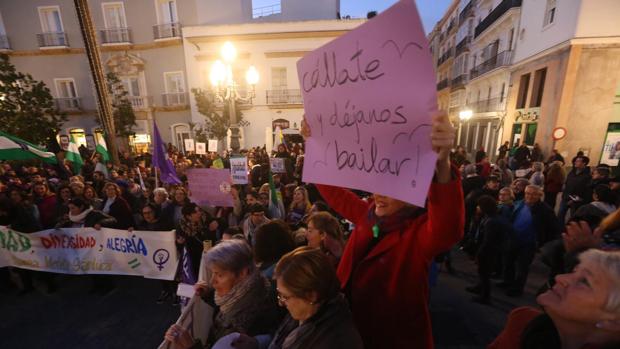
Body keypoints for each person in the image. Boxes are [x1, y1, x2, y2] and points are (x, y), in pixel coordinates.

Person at [302, 110, 464, 348]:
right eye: (377, 185)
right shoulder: (368, 214)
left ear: (413, 192)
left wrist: (442, 164)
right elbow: (335, 194)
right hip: (349, 329)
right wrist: (313, 144)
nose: (378, 194)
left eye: (391, 188)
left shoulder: (417, 235)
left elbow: (448, 229)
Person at [232, 247, 364, 349]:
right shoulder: (307, 311)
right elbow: (282, 338)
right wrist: (257, 342)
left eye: (285, 296)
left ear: (312, 295)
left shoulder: (336, 341)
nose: (281, 303)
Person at [489, 249, 620, 349]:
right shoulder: (522, 323)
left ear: (614, 322)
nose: (560, 277)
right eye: (574, 271)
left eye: (584, 281)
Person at [164, 240, 280, 348]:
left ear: (242, 273)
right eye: (213, 273)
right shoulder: (253, 288)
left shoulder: (249, 321)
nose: (212, 281)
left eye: (219, 275)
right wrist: (208, 295)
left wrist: (191, 346)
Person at [501, 185, 561, 297]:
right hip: (514, 238)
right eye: (527, 193)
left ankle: (517, 289)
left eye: (534, 194)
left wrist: (542, 241)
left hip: (529, 243)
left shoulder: (545, 210)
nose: (530, 196)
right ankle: (507, 282)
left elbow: (554, 228)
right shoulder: (520, 203)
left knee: (522, 267)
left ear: (540, 195)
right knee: (508, 262)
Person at [466, 195, 512, 304]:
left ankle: (485, 297)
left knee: (484, 274)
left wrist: (479, 254)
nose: (477, 207)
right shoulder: (489, 217)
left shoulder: (491, 221)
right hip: (490, 250)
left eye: (479, 206)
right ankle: (479, 287)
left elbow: (488, 242)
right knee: (482, 272)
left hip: (489, 252)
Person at [559, 155, 592, 223]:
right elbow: (567, 183)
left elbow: (585, 189)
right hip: (566, 197)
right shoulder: (572, 172)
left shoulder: (587, 176)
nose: (575, 162)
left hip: (576, 200)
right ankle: (559, 230)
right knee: (560, 215)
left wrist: (575, 199)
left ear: (584, 163)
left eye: (578, 161)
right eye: (575, 161)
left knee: (573, 218)